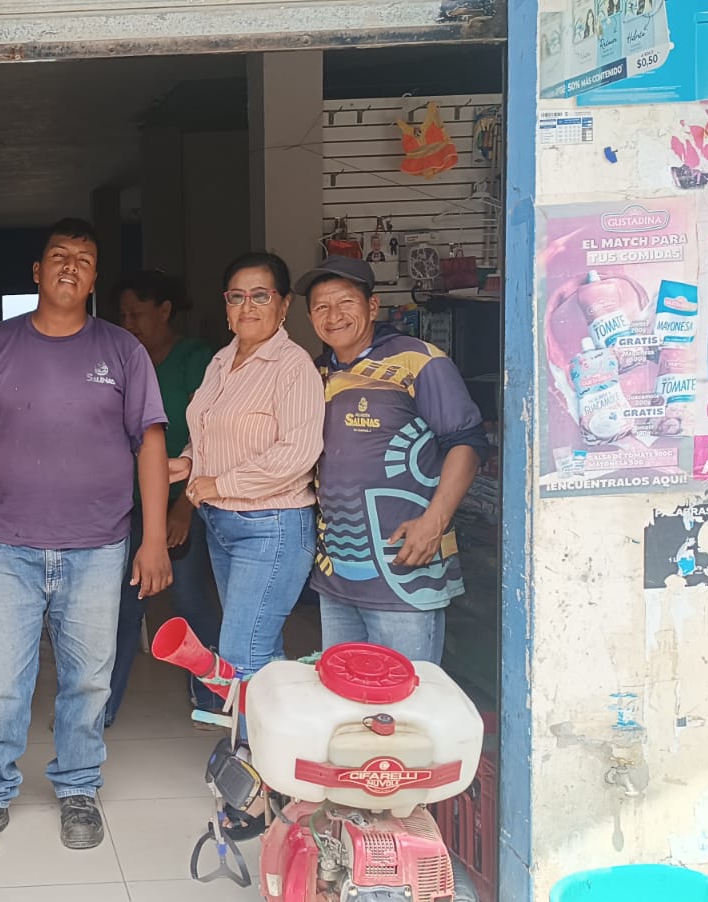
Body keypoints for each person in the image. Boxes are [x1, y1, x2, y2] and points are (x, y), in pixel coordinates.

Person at [0, 218, 172, 862]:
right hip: (9, 544)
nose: (71, 265)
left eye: (84, 259)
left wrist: (154, 537)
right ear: (37, 272)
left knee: (88, 680)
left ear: (94, 280)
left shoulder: (122, 350)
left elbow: (150, 442)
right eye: (59, 255)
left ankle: (78, 787)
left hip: (99, 545)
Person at [298, 256, 487, 664]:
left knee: (407, 694)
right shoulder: (316, 373)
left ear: (372, 306)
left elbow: (467, 442)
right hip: (337, 573)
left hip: (404, 568)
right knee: (345, 692)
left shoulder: (418, 361)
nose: (333, 316)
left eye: (346, 302)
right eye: (321, 307)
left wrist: (434, 522)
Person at [169, 252, 323, 703]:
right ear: (226, 304)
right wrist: (190, 463)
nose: (247, 306)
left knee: (241, 654)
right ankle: (265, 743)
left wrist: (220, 484)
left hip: (271, 527)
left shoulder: (294, 367)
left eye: (261, 296)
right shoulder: (221, 360)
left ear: (284, 304)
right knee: (259, 649)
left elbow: (298, 454)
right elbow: (209, 430)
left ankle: (255, 744)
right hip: (222, 523)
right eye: (237, 297)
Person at [106, 270, 223, 727]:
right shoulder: (123, 361)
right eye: (123, 315)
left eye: (137, 313)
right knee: (125, 606)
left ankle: (213, 694)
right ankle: (101, 707)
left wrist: (183, 508)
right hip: (130, 505)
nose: (128, 323)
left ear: (165, 311)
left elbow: (211, 437)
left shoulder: (197, 359)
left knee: (189, 598)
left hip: (183, 500)